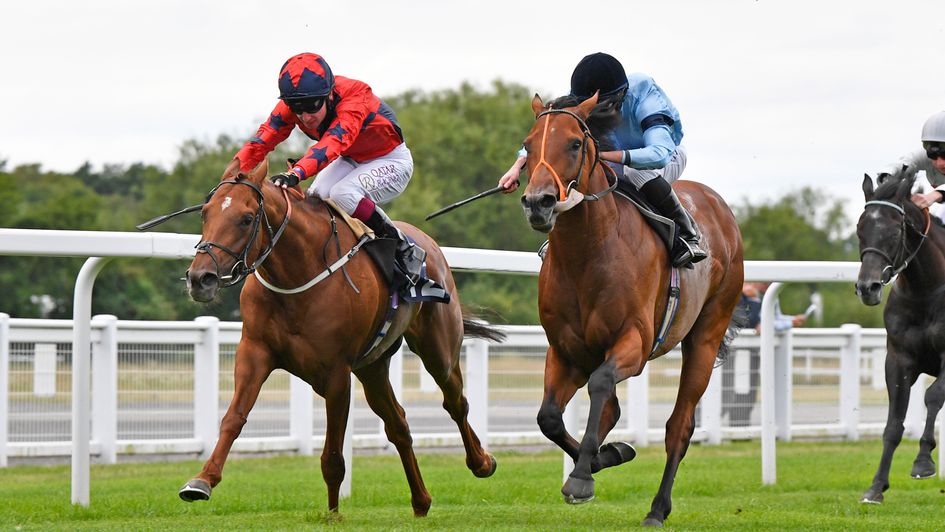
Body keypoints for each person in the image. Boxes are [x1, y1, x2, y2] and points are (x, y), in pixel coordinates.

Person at [498, 52, 706, 267]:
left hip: (665, 156)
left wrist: (601, 155)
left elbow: (659, 154)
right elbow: (550, 138)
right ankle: (561, 240)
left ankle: (685, 232)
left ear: (619, 96)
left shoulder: (645, 96)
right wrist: (516, 168)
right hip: (609, 155)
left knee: (634, 171)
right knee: (578, 169)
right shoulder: (579, 97)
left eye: (601, 105)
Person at [231, 52, 425, 282]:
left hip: (391, 161)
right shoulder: (297, 107)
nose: (305, 117)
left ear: (329, 95)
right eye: (296, 108)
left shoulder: (355, 97)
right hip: (351, 159)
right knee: (314, 198)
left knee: (343, 194)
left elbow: (332, 143)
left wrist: (297, 173)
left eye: (312, 106)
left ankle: (403, 247)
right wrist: (230, 178)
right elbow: (260, 143)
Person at [721, 282, 807, 426]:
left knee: (747, 393)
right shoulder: (738, 294)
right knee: (726, 394)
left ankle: (740, 427)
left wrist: (791, 320)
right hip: (732, 351)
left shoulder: (770, 293)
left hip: (751, 351)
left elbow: (771, 319)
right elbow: (749, 321)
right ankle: (700, 427)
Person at [876, 111, 945, 211]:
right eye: (933, 155)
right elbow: (905, 163)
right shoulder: (925, 155)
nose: (940, 163)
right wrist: (887, 180)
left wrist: (934, 195)